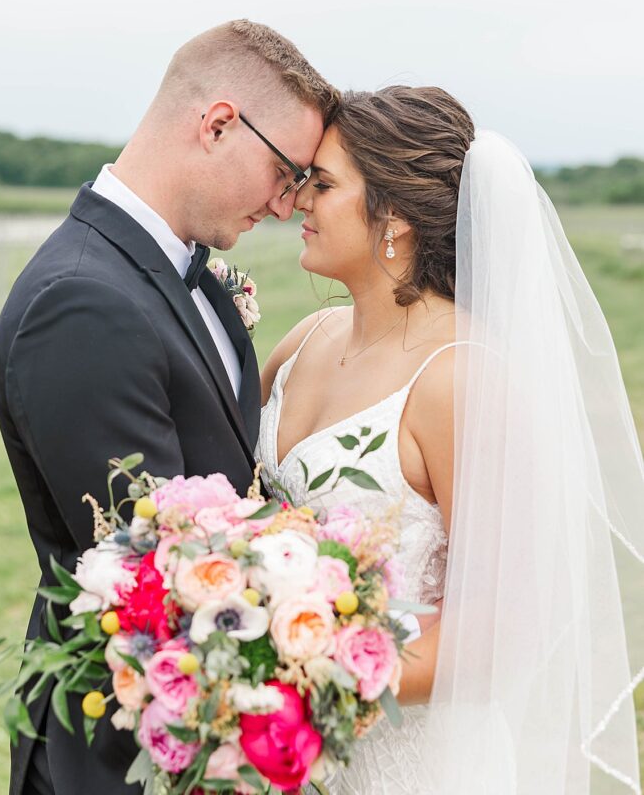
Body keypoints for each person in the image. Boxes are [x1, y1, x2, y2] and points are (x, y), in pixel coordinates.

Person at [258, 86, 644, 794]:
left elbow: (501, 634)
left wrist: (295, 695)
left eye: (323, 183)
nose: (297, 202)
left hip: (407, 761)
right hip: (281, 758)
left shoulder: (460, 377)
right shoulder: (301, 342)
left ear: (394, 217)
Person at [0, 19, 338, 795]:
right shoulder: (81, 302)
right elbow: (158, 570)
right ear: (216, 124)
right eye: (285, 173)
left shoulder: (185, 274)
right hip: (119, 760)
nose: (286, 206)